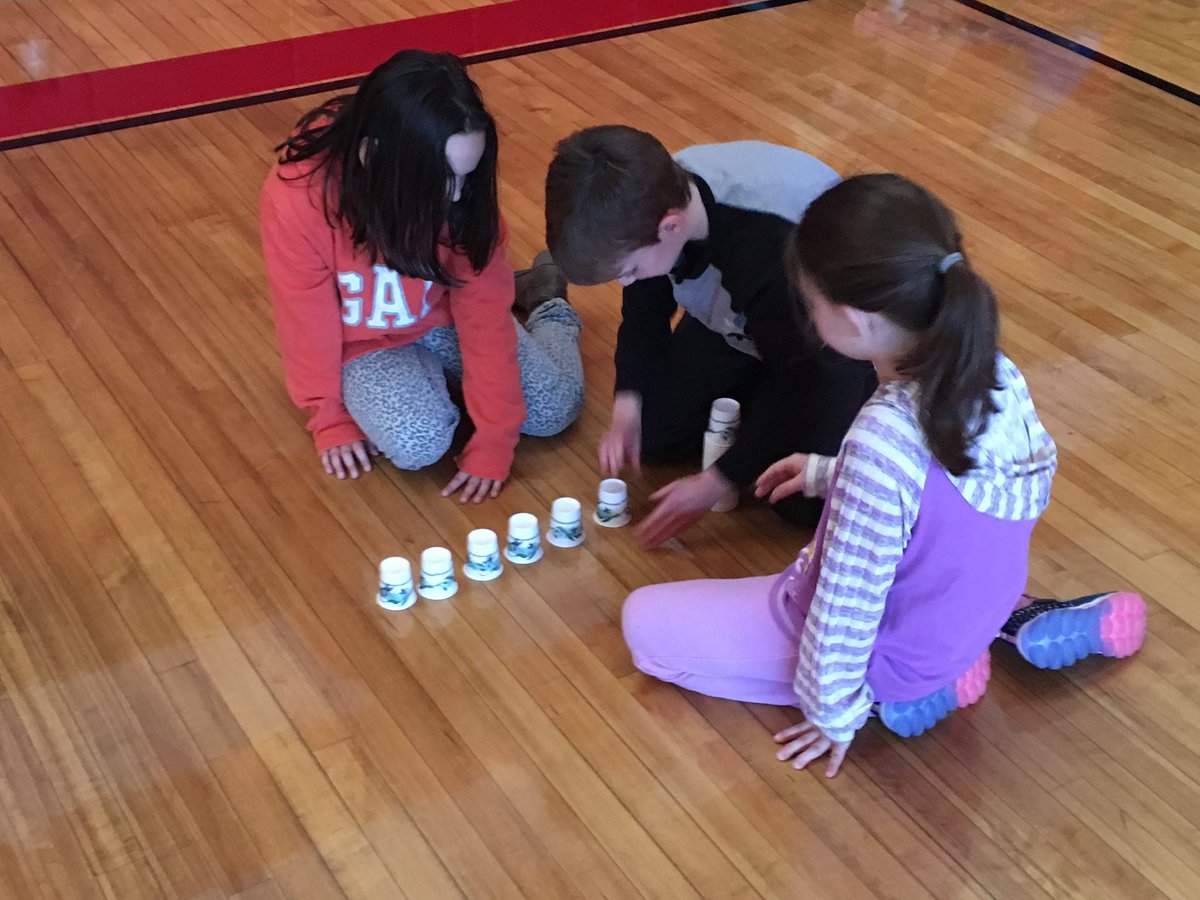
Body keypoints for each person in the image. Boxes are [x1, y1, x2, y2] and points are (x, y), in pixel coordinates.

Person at [621, 174, 1146, 776]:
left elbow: (843, 611)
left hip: (896, 654)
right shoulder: (991, 370)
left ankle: (896, 695)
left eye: (809, 305)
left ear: (854, 320)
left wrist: (832, 714)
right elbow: (958, 498)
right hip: (967, 615)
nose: (807, 318)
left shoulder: (881, 437)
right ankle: (960, 656)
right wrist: (830, 473)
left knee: (644, 623)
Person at [260, 49, 583, 503]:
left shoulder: (461, 199)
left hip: (443, 317)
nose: (456, 194)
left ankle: (549, 307)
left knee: (553, 411)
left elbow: (483, 325)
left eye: (466, 176)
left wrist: (494, 438)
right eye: (439, 177)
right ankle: (444, 376)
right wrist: (328, 415)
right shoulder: (299, 198)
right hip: (366, 344)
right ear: (374, 156)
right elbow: (304, 319)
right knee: (418, 444)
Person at [544, 127, 877, 545]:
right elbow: (645, 309)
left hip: (824, 351)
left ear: (670, 227)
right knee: (654, 434)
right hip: (741, 325)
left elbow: (802, 376)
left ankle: (829, 399)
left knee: (801, 501)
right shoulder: (646, 203)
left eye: (627, 271)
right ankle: (752, 407)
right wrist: (627, 402)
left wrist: (718, 480)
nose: (625, 280)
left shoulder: (762, 247)